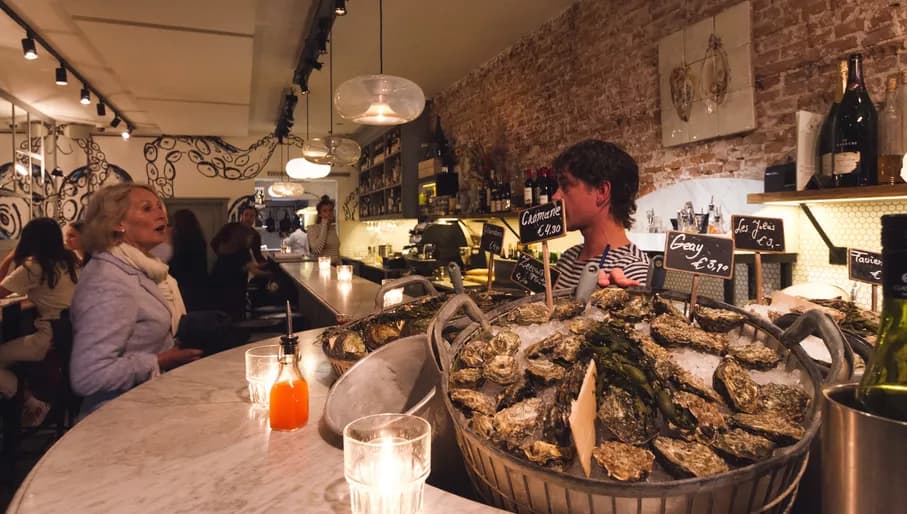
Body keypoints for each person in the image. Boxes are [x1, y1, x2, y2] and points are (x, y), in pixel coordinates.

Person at [70, 183, 202, 416]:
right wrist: (160, 361)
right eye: (147, 208)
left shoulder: (141, 267)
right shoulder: (108, 280)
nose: (161, 213)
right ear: (117, 223)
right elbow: (88, 375)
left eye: (159, 207)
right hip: (119, 417)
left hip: (146, 404)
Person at [0, 218, 80, 426]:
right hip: (72, 336)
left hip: (49, 339)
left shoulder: (34, 266)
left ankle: (32, 403)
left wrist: (10, 257)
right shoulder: (70, 261)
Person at [551, 140, 649, 289]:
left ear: (602, 191)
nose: (556, 197)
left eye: (565, 186)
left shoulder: (633, 271)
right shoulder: (568, 258)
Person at [209, 222, 268, 321]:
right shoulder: (243, 252)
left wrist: (264, 265)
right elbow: (255, 271)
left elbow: (248, 266)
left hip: (218, 291)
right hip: (235, 293)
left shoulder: (225, 251)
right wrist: (270, 274)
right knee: (236, 318)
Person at [168, 209, 209, 312]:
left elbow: (176, 266)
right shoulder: (199, 239)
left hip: (182, 286)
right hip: (199, 286)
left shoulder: (178, 241)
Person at [307, 195, 340, 264]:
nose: (328, 213)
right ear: (319, 214)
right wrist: (324, 224)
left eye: (330, 210)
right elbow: (316, 250)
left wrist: (340, 265)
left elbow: (336, 253)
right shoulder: (312, 228)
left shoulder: (332, 228)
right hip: (321, 268)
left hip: (335, 267)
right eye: (324, 211)